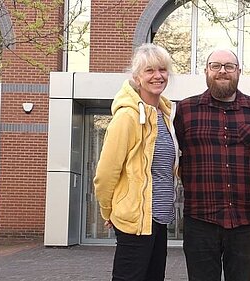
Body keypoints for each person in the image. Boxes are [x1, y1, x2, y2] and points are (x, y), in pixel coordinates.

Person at [174, 49, 250, 281]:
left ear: (239, 71)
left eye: (229, 66)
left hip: (245, 222)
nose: (223, 71)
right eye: (216, 66)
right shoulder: (185, 111)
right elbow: (175, 159)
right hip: (200, 219)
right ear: (206, 71)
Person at [93, 43, 179, 281]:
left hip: (159, 219)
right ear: (137, 77)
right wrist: (108, 210)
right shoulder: (127, 116)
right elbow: (106, 172)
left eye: (162, 70)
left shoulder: (164, 116)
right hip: (134, 220)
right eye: (149, 71)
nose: (157, 76)